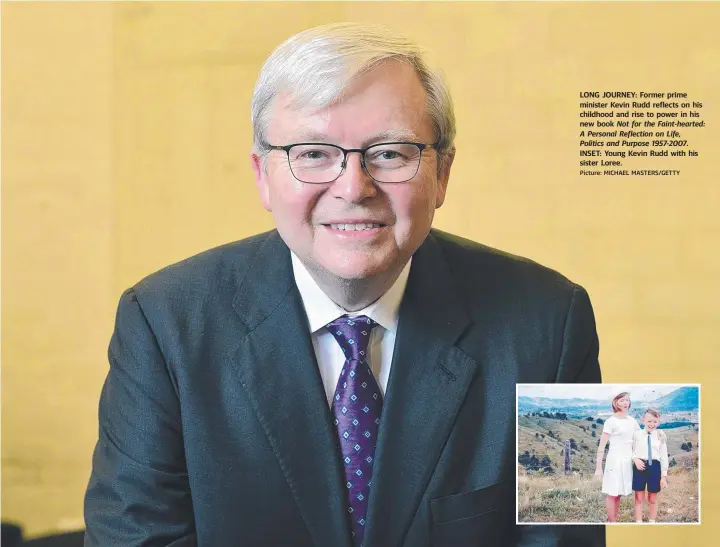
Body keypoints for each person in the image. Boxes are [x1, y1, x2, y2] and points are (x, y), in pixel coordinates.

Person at [84, 22, 605, 546]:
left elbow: (569, 540)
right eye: (313, 153)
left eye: (390, 153)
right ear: (263, 175)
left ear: (442, 173)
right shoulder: (162, 322)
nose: (354, 188)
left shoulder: (553, 322)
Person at [595, 392, 640, 522]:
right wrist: (599, 467)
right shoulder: (610, 421)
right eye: (622, 400)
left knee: (619, 493)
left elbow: (639, 438)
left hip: (627, 461)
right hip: (614, 461)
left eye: (627, 400)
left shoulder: (632, 421)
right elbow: (601, 446)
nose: (625, 403)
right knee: (612, 493)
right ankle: (612, 522)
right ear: (615, 403)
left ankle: (613, 520)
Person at [631, 408, 668, 523]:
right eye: (649, 421)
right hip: (639, 466)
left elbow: (663, 456)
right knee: (639, 497)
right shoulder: (636, 435)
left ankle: (652, 521)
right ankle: (638, 522)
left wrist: (663, 476)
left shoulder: (660, 435)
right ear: (643, 420)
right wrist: (635, 459)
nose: (652, 424)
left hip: (655, 468)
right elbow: (629, 449)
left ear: (659, 422)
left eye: (655, 421)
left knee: (652, 498)